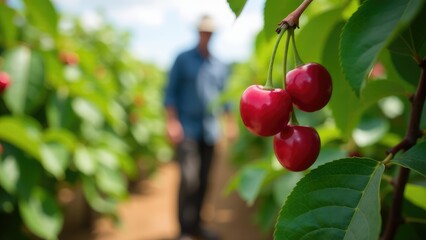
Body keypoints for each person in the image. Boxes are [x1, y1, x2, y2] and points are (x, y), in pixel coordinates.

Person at [163, 15, 237, 240]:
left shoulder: (219, 64)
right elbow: (170, 93)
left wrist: (230, 123)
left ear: (213, 35)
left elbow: (225, 98)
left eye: (210, 33)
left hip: (210, 130)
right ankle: (184, 229)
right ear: (198, 33)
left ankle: (197, 225)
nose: (206, 36)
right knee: (189, 178)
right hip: (187, 128)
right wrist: (172, 122)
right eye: (203, 32)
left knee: (205, 179)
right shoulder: (183, 59)